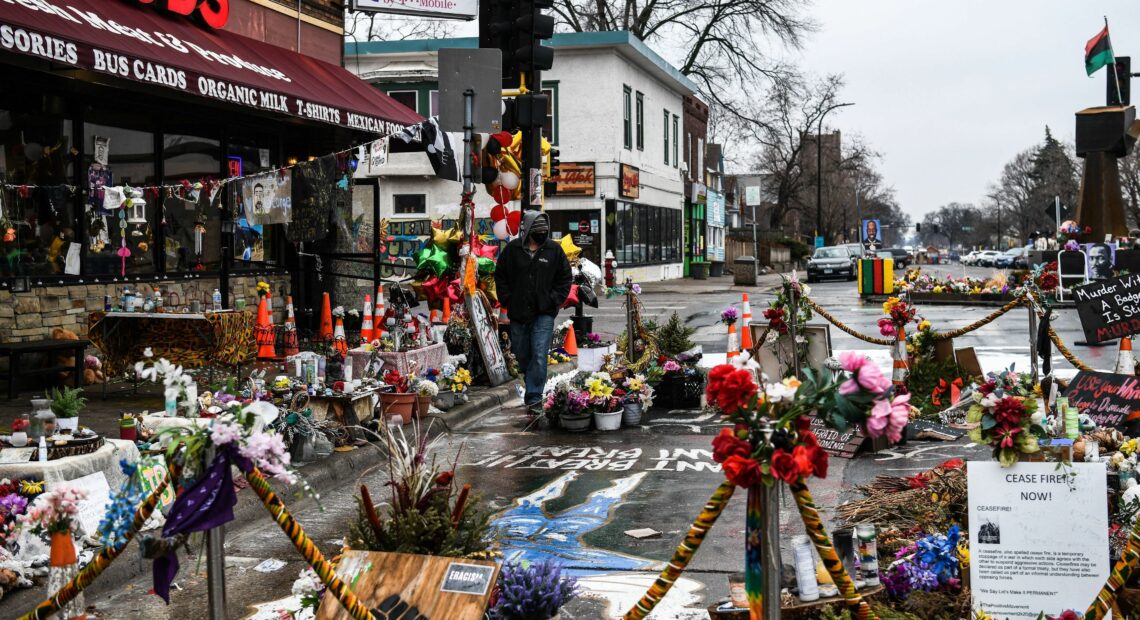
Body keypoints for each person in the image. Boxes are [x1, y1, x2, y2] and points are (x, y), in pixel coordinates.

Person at [495, 211, 573, 415]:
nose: (542, 234)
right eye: (538, 231)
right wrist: (507, 300)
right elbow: (500, 275)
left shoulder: (553, 250)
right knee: (522, 354)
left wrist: (553, 300)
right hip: (518, 312)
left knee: (539, 354)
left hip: (543, 313)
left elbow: (565, 279)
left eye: (545, 231)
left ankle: (534, 396)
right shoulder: (512, 250)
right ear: (528, 230)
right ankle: (531, 383)